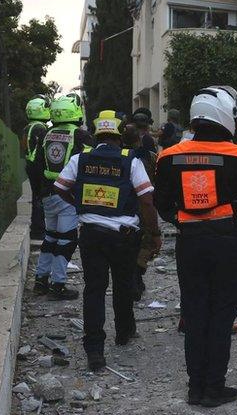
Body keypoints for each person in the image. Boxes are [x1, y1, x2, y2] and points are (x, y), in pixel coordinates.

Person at [155, 86, 237, 408]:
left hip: (190, 244)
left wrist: (184, 218)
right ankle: (213, 388)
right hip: (229, 244)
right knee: (220, 318)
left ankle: (195, 388)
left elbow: (162, 204)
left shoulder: (169, 155)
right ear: (225, 117)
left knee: (195, 314)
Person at [53, 111, 160, 371]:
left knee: (94, 290)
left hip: (91, 235)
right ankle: (123, 333)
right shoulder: (130, 161)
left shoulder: (81, 159)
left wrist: (80, 204)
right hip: (124, 236)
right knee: (123, 286)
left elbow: (59, 188)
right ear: (119, 135)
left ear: (97, 135)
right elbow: (146, 199)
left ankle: (94, 351)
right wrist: (154, 233)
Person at [34, 94, 94, 300]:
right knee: (66, 240)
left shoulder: (46, 134)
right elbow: (89, 165)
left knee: (50, 237)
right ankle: (57, 285)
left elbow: (37, 164)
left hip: (47, 194)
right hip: (67, 195)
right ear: (75, 110)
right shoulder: (80, 135)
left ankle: (40, 280)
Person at [123, 124, 160, 301]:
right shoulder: (150, 157)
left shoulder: (120, 158)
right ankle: (137, 275)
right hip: (145, 202)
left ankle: (133, 277)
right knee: (147, 242)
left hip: (126, 206)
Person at [23, 96, 51, 241]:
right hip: (38, 166)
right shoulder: (41, 128)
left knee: (36, 197)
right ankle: (39, 230)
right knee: (40, 198)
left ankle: (36, 228)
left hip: (30, 165)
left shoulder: (28, 127)